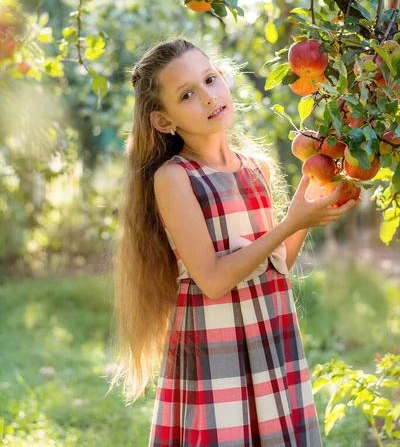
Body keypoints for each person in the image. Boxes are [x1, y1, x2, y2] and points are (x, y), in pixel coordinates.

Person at [108, 37, 361, 446]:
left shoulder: (257, 167)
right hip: (215, 340)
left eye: (210, 79)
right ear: (163, 121)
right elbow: (212, 278)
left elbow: (275, 265)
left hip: (270, 333)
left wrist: (306, 206)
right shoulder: (175, 178)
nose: (208, 97)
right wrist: (290, 223)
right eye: (187, 94)